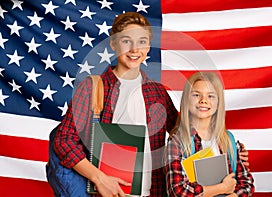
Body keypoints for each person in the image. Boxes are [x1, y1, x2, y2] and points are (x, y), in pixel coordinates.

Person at [46, 12, 250, 197]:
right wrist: (100, 179)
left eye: (141, 42)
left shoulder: (157, 93)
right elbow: (64, 140)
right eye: (126, 41)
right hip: (106, 193)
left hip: (152, 192)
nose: (135, 49)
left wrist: (231, 148)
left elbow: (187, 133)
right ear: (114, 44)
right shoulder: (93, 88)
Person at [165, 72, 255, 197]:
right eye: (196, 95)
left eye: (211, 96)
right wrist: (222, 188)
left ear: (218, 103)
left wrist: (234, 195)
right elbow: (179, 191)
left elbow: (247, 183)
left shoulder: (228, 141)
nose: (203, 101)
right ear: (187, 100)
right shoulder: (178, 142)